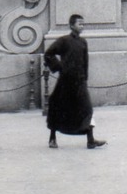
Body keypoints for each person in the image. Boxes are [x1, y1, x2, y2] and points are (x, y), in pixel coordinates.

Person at [44, 14, 106, 150]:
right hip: (65, 82)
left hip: (80, 82)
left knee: (87, 109)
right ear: (72, 25)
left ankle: (90, 140)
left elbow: (85, 62)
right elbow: (48, 53)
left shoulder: (83, 42)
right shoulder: (63, 41)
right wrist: (59, 67)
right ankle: (52, 138)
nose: (82, 26)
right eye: (79, 24)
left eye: (83, 24)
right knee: (58, 108)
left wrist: (84, 78)